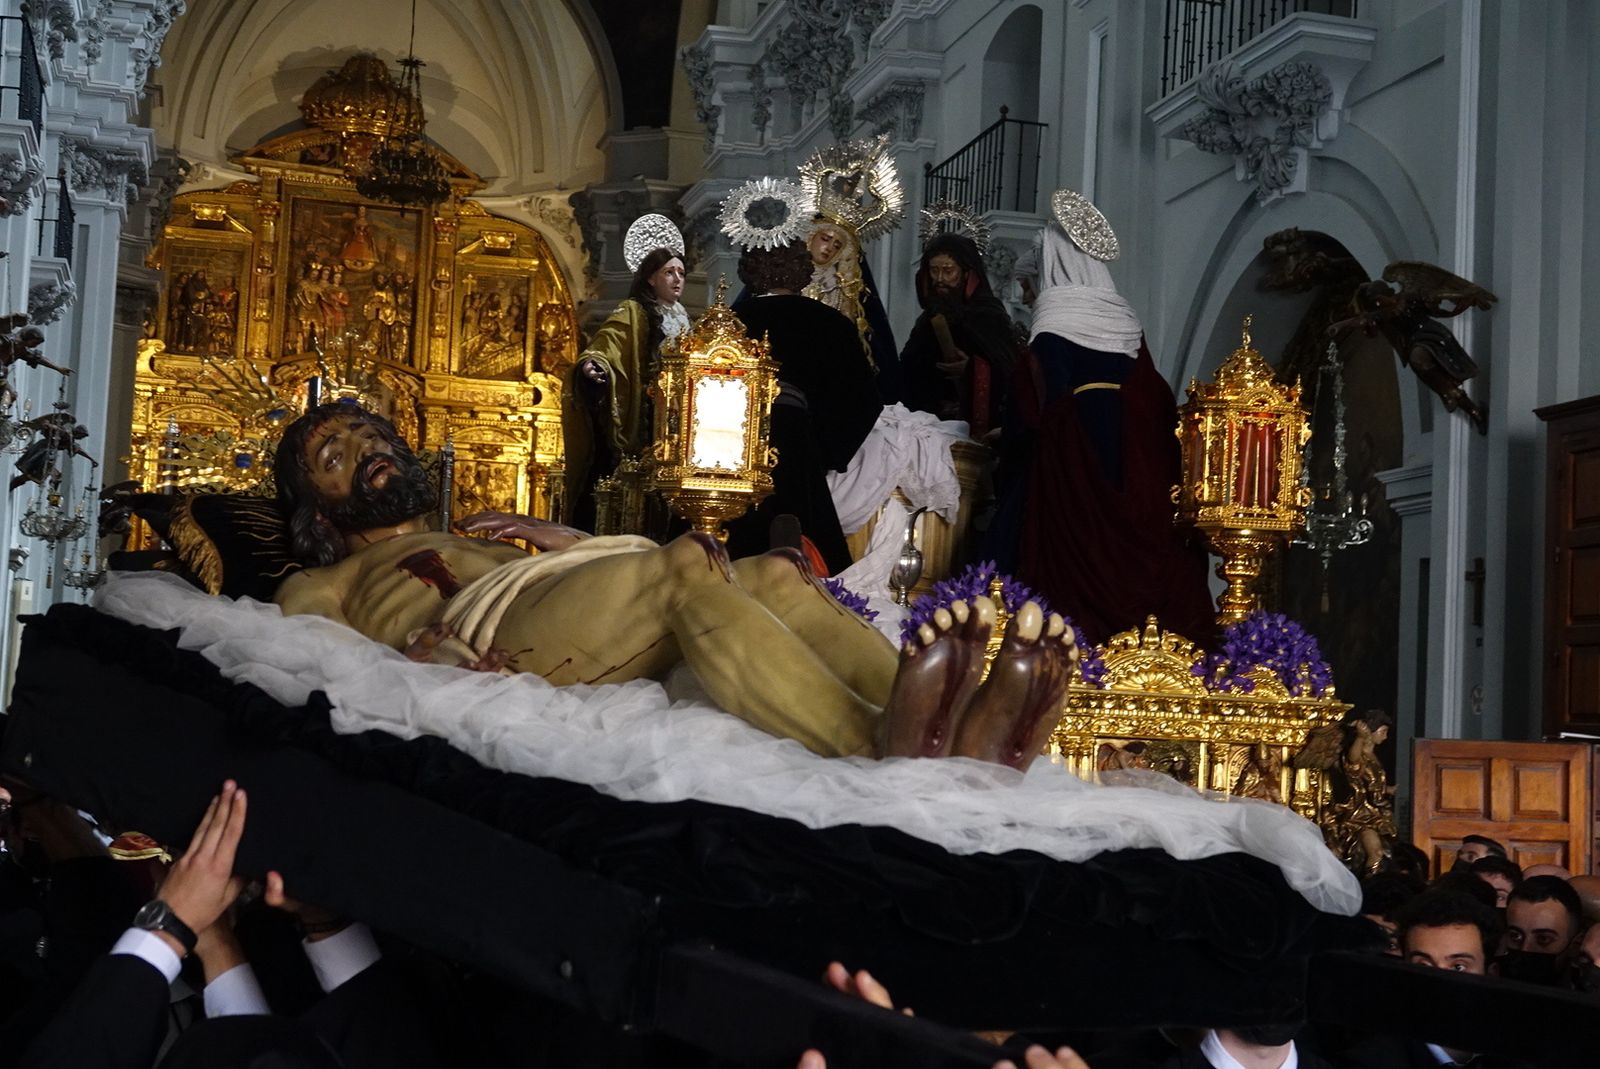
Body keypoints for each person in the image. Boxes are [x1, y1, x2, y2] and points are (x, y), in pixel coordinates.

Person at [270, 402, 1079, 768]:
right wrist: (422, 650)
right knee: (684, 567)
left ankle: (920, 715)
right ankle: (868, 742)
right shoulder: (327, 580)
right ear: (316, 510)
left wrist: (571, 543)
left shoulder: (482, 529)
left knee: (770, 569)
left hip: (544, 602)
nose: (367, 447)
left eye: (372, 433)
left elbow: (583, 597)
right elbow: (314, 666)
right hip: (475, 642)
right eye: (336, 455)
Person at [993, 195, 1214, 646]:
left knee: (1048, 550)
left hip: (1075, 456)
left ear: (1052, 269)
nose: (1028, 296)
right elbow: (1153, 392)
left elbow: (1040, 406)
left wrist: (1012, 443)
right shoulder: (1125, 319)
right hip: (1140, 456)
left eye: (1030, 284)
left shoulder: (1054, 321)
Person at [730, 240, 882, 573]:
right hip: (799, 444)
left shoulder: (729, 321)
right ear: (803, 271)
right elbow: (864, 399)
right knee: (806, 532)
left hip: (732, 445)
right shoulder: (832, 323)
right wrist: (827, 449)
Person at [562, 215, 692, 533]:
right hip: (643, 411)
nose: (677, 279)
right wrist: (594, 366)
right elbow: (605, 346)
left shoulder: (685, 318)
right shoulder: (632, 312)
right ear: (650, 278)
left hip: (677, 417)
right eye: (669, 272)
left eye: (681, 273)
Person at [900, 231, 1021, 437]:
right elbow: (907, 371)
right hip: (925, 426)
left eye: (948, 271)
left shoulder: (987, 314)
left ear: (967, 274)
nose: (939, 279)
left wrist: (972, 368)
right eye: (934, 271)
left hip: (971, 430)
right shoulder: (926, 321)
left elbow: (1010, 371)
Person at [803, 216, 901, 402]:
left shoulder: (843, 289)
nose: (830, 247)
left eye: (837, 245)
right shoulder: (786, 276)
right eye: (825, 238)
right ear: (811, 237)